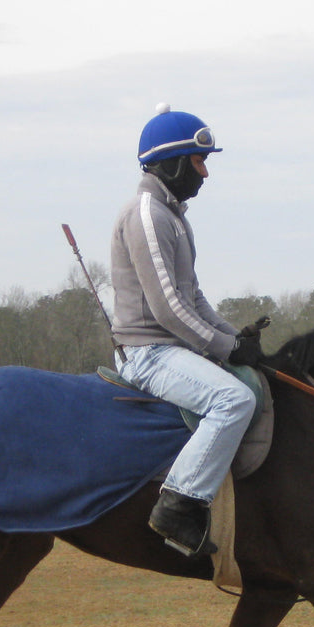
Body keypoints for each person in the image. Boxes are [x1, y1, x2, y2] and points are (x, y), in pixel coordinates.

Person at [110, 104, 262, 558]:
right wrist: (226, 348)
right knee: (234, 399)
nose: (205, 173)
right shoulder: (148, 216)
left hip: (171, 349)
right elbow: (168, 309)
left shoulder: (174, 217)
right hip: (148, 353)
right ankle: (178, 505)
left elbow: (193, 297)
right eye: (199, 161)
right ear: (173, 163)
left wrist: (236, 338)